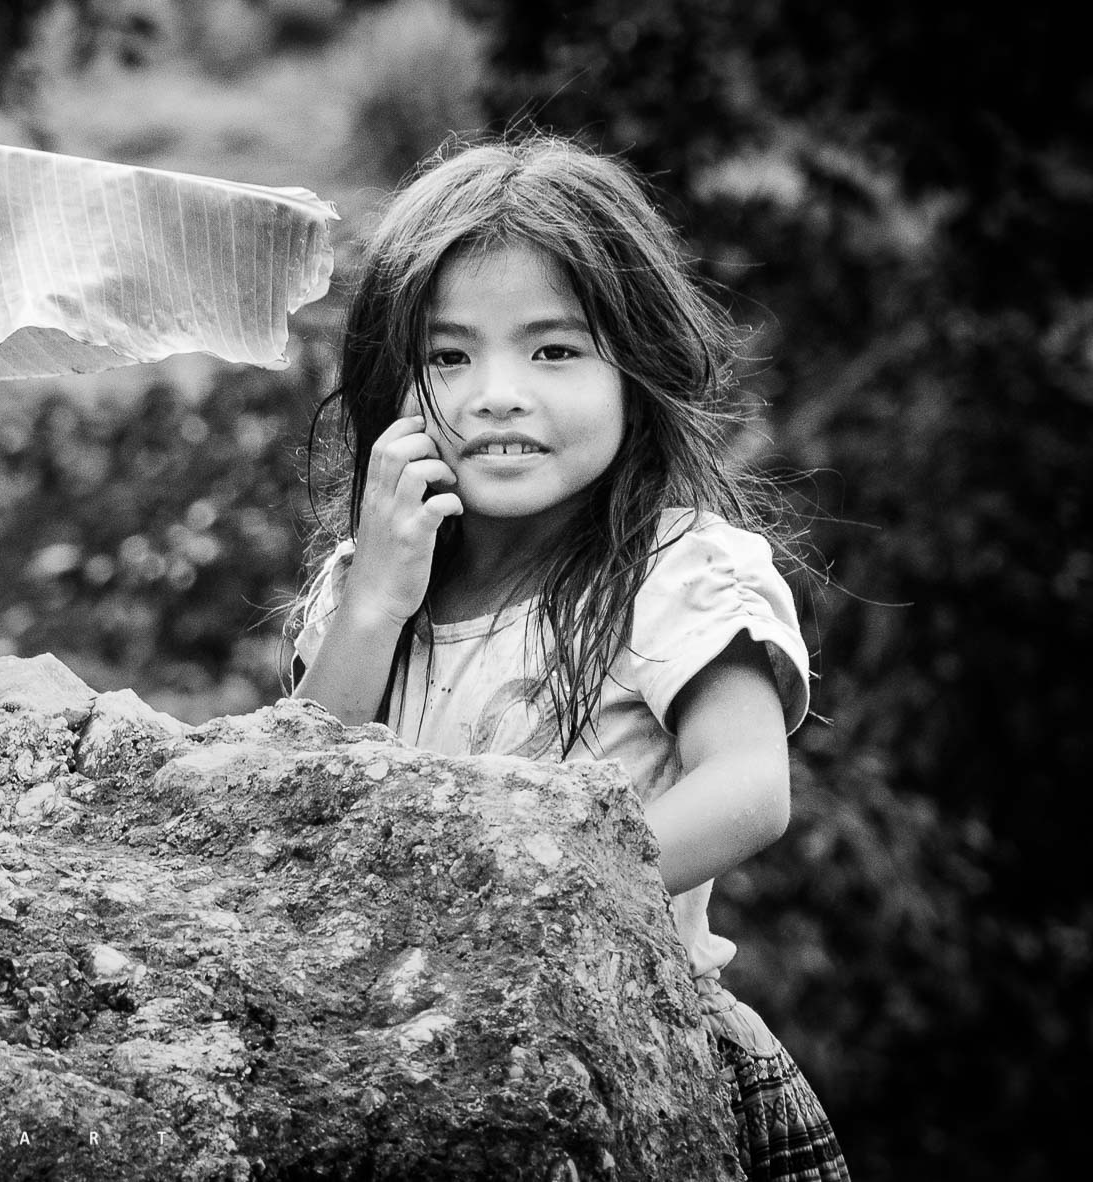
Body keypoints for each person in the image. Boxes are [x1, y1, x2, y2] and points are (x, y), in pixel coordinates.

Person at [285, 136, 849, 1181]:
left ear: (634, 368)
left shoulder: (674, 573)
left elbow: (748, 789)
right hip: (405, 1054)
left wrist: (527, 901)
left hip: (634, 1050)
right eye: (449, 357)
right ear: (393, 387)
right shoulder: (373, 589)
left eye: (552, 351)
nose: (496, 394)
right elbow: (292, 807)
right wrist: (371, 606)